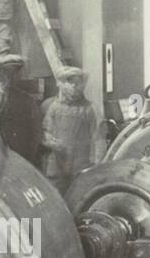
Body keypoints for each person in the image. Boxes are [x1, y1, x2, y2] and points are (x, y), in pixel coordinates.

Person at [39, 65, 105, 194]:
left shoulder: (91, 109)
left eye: (78, 83)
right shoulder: (49, 107)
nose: (74, 86)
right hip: (56, 168)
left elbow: (99, 139)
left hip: (81, 169)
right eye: (70, 82)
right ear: (60, 84)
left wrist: (97, 167)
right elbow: (43, 132)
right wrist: (50, 141)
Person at [0, 53, 42, 167]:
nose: (11, 77)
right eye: (7, 73)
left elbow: (36, 131)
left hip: (21, 155)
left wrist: (29, 157)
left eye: (15, 73)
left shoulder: (28, 100)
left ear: (19, 75)